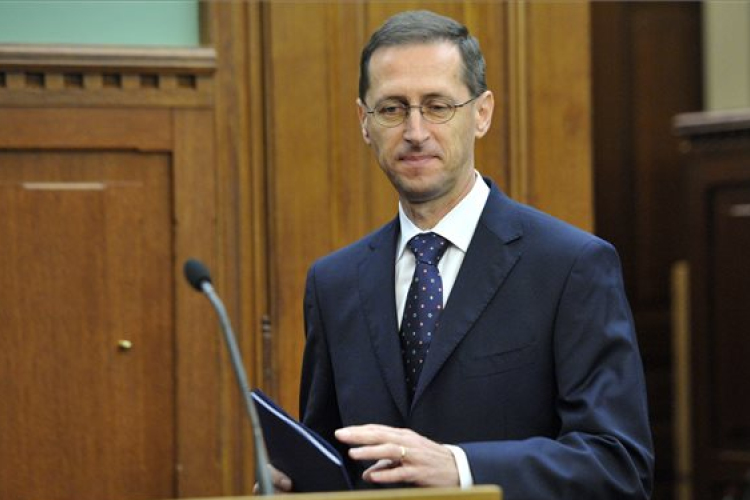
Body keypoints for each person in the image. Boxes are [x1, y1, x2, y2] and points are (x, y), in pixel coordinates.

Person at [273, 9, 654, 499]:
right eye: (392, 109)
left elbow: (618, 465)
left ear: (482, 113)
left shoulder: (571, 266)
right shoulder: (334, 284)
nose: (415, 131)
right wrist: (296, 483)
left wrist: (462, 467)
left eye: (437, 106)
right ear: (364, 122)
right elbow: (332, 458)